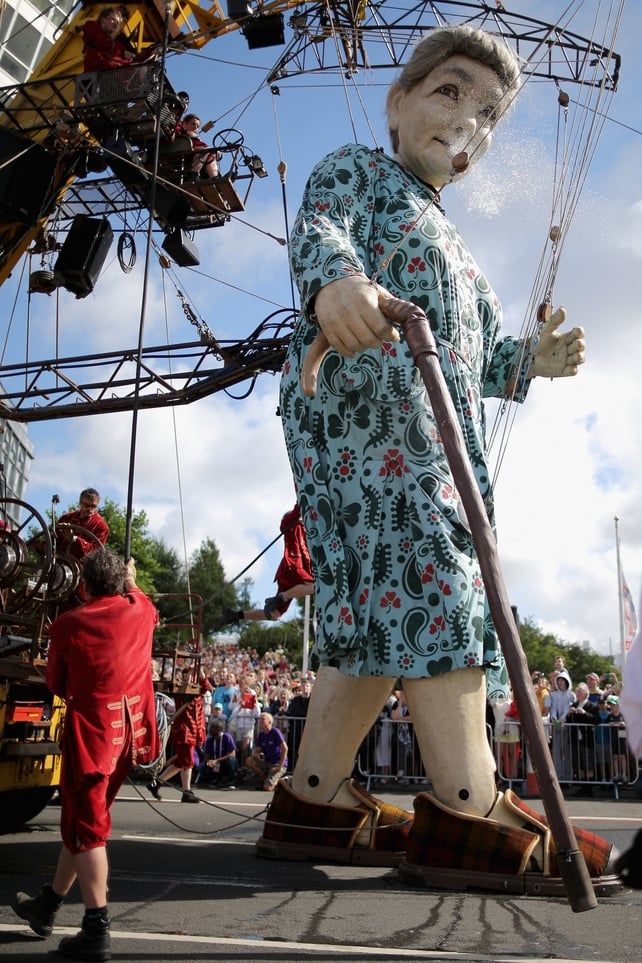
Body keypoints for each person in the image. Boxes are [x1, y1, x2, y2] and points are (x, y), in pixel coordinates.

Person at [260, 24, 616, 892]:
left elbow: (485, 356)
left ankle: (315, 799)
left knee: (379, 604)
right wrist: (337, 282)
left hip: (423, 437)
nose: (467, 121)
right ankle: (466, 806)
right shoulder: (358, 172)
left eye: (487, 112)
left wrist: (531, 360)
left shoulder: (459, 252)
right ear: (400, 101)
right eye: (450, 93)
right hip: (364, 423)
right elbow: (322, 230)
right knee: (435, 574)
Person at [11, 552, 158, 960]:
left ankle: (97, 928)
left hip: (92, 737)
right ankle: (48, 905)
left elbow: (57, 683)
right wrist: (131, 580)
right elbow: (143, 600)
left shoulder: (70, 624)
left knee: (88, 831)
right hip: (130, 732)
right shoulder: (140, 608)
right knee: (80, 824)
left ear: (84, 586)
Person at [220, 504, 314, 625]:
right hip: (294, 568)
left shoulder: (308, 533)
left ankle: (236, 615)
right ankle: (281, 597)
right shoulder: (291, 525)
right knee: (314, 587)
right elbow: (294, 514)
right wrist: (301, 503)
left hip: (293, 577)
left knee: (275, 615)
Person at [146, 675, 211, 803]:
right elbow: (173, 687)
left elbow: (206, 685)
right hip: (183, 731)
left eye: (191, 677)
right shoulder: (180, 692)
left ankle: (156, 784)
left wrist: (201, 672)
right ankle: (186, 792)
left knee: (182, 762)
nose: (188, 680)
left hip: (193, 731)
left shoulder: (198, 692)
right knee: (188, 761)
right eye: (186, 677)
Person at [56, 488, 109, 559]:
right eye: (87, 505)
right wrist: (41, 546)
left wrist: (75, 539)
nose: (90, 509)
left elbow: (96, 550)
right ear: (80, 503)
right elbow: (54, 541)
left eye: (93, 506)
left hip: (83, 566)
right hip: (57, 560)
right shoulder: (66, 518)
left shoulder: (101, 526)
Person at [244, 712, 288, 791]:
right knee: (249, 760)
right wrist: (256, 754)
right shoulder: (261, 735)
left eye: (263, 719)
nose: (260, 721)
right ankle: (264, 778)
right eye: (260, 719)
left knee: (268, 788)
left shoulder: (275, 732)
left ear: (270, 722)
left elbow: (285, 749)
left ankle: (282, 781)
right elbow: (257, 750)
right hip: (267, 762)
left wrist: (279, 767)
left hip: (277, 763)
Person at [173, 114, 221, 180]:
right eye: (193, 124)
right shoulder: (181, 131)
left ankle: (215, 178)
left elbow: (202, 146)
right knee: (206, 151)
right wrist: (187, 132)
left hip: (195, 154)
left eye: (197, 126)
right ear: (185, 124)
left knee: (211, 154)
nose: (196, 127)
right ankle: (193, 174)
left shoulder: (193, 137)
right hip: (184, 152)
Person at [195, 718, 239, 788]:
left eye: (212, 727)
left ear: (218, 728)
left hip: (224, 763)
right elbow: (206, 756)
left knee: (232, 760)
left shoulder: (227, 737)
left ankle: (231, 782)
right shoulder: (209, 740)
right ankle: (214, 780)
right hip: (214, 764)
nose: (209, 729)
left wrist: (217, 761)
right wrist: (209, 761)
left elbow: (232, 754)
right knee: (202, 766)